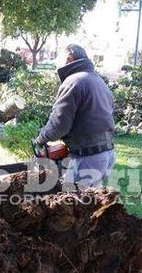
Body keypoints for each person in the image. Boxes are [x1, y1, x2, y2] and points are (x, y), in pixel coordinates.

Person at [35, 44, 116, 188]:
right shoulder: (97, 80)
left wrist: (40, 138)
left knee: (70, 204)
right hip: (106, 153)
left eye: (57, 59)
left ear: (68, 58)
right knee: (89, 203)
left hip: (89, 156)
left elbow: (59, 124)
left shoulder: (73, 81)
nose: (56, 64)